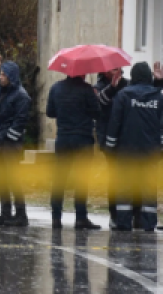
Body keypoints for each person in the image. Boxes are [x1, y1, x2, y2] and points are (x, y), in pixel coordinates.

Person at [105, 62, 163, 231]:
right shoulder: (158, 97)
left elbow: (115, 123)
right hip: (150, 152)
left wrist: (110, 147)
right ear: (149, 76)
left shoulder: (124, 95)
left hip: (126, 151)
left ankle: (123, 223)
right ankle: (149, 223)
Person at [46, 71, 102, 230]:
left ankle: (56, 218)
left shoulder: (56, 88)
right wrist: (94, 97)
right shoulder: (87, 90)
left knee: (59, 180)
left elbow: (50, 112)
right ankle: (81, 218)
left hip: (63, 138)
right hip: (83, 139)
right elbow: (97, 113)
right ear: (82, 73)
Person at [0, 57, 31, 227]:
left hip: (11, 144)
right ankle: (5, 213)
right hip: (0, 141)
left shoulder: (21, 96)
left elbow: (21, 120)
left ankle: (21, 214)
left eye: (3, 74)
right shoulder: (1, 92)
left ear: (11, 76)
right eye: (0, 74)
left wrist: (7, 138)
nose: (0, 77)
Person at [95, 67, 129, 225]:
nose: (116, 72)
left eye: (118, 69)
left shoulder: (128, 84)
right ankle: (114, 215)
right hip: (108, 140)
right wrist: (112, 88)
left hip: (126, 139)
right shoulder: (98, 87)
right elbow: (100, 104)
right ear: (105, 72)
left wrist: (157, 82)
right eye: (112, 69)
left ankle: (132, 215)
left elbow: (144, 93)